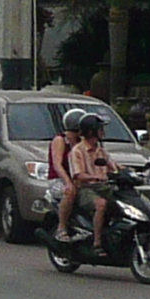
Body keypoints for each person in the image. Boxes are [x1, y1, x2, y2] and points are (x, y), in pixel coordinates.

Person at [53, 106, 117, 249]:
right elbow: (59, 165)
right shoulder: (64, 141)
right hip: (69, 181)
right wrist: (69, 182)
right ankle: (62, 227)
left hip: (95, 183)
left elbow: (112, 165)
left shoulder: (98, 148)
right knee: (72, 192)